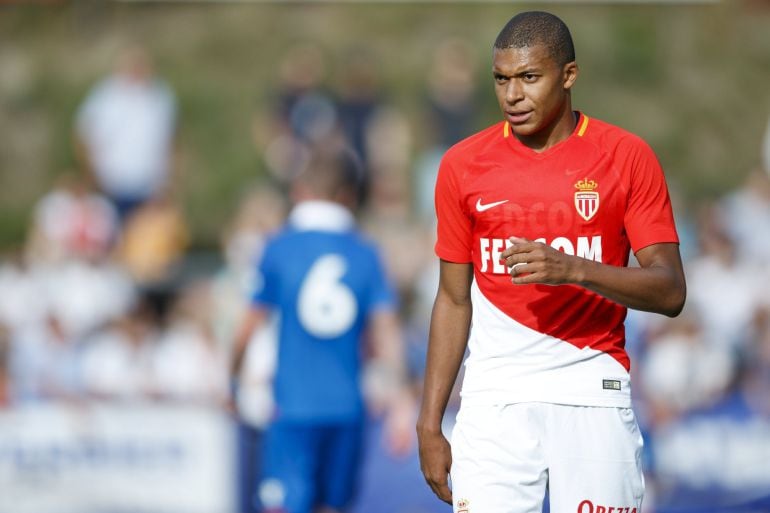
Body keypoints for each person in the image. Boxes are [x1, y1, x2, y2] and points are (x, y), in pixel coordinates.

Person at [416, 11, 686, 513]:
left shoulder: (626, 157)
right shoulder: (461, 165)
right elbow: (453, 299)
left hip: (593, 392)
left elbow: (670, 291)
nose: (512, 96)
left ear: (569, 75)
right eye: (501, 79)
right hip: (494, 400)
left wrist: (574, 270)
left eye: (528, 78)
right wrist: (429, 422)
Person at [231, 143, 413, 513]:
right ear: (348, 195)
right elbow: (387, 332)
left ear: (301, 191)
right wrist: (402, 400)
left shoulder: (278, 248)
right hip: (348, 406)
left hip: (291, 406)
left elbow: (248, 327)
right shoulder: (365, 252)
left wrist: (231, 379)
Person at [74, 45, 178, 222]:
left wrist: (170, 181)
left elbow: (171, 141)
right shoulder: (106, 95)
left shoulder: (160, 96)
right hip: (111, 184)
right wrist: (92, 176)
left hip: (150, 187)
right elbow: (84, 137)